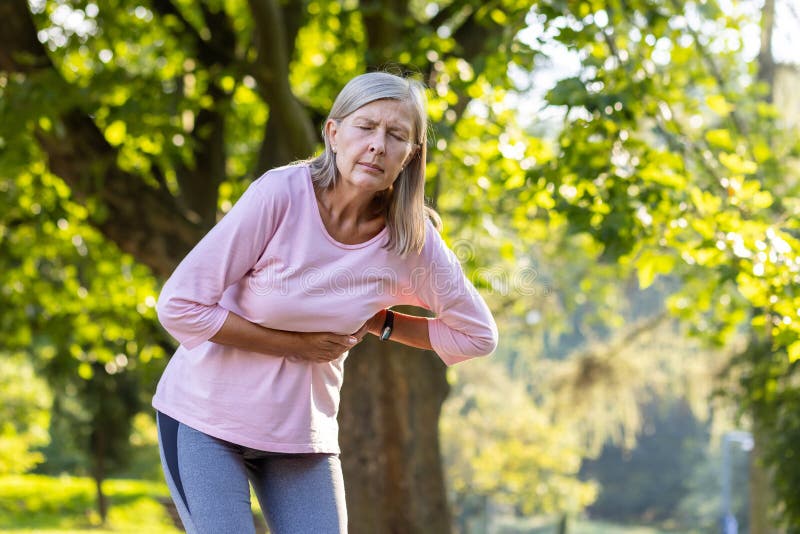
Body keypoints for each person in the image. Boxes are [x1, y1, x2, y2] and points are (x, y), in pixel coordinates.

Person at [153, 71, 498, 534]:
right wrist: (292, 345)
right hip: (204, 420)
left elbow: (476, 335)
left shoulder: (412, 241)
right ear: (333, 133)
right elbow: (179, 304)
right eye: (365, 127)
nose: (378, 144)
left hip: (300, 437)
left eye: (396, 135)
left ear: (411, 155)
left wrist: (383, 322)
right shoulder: (281, 195)